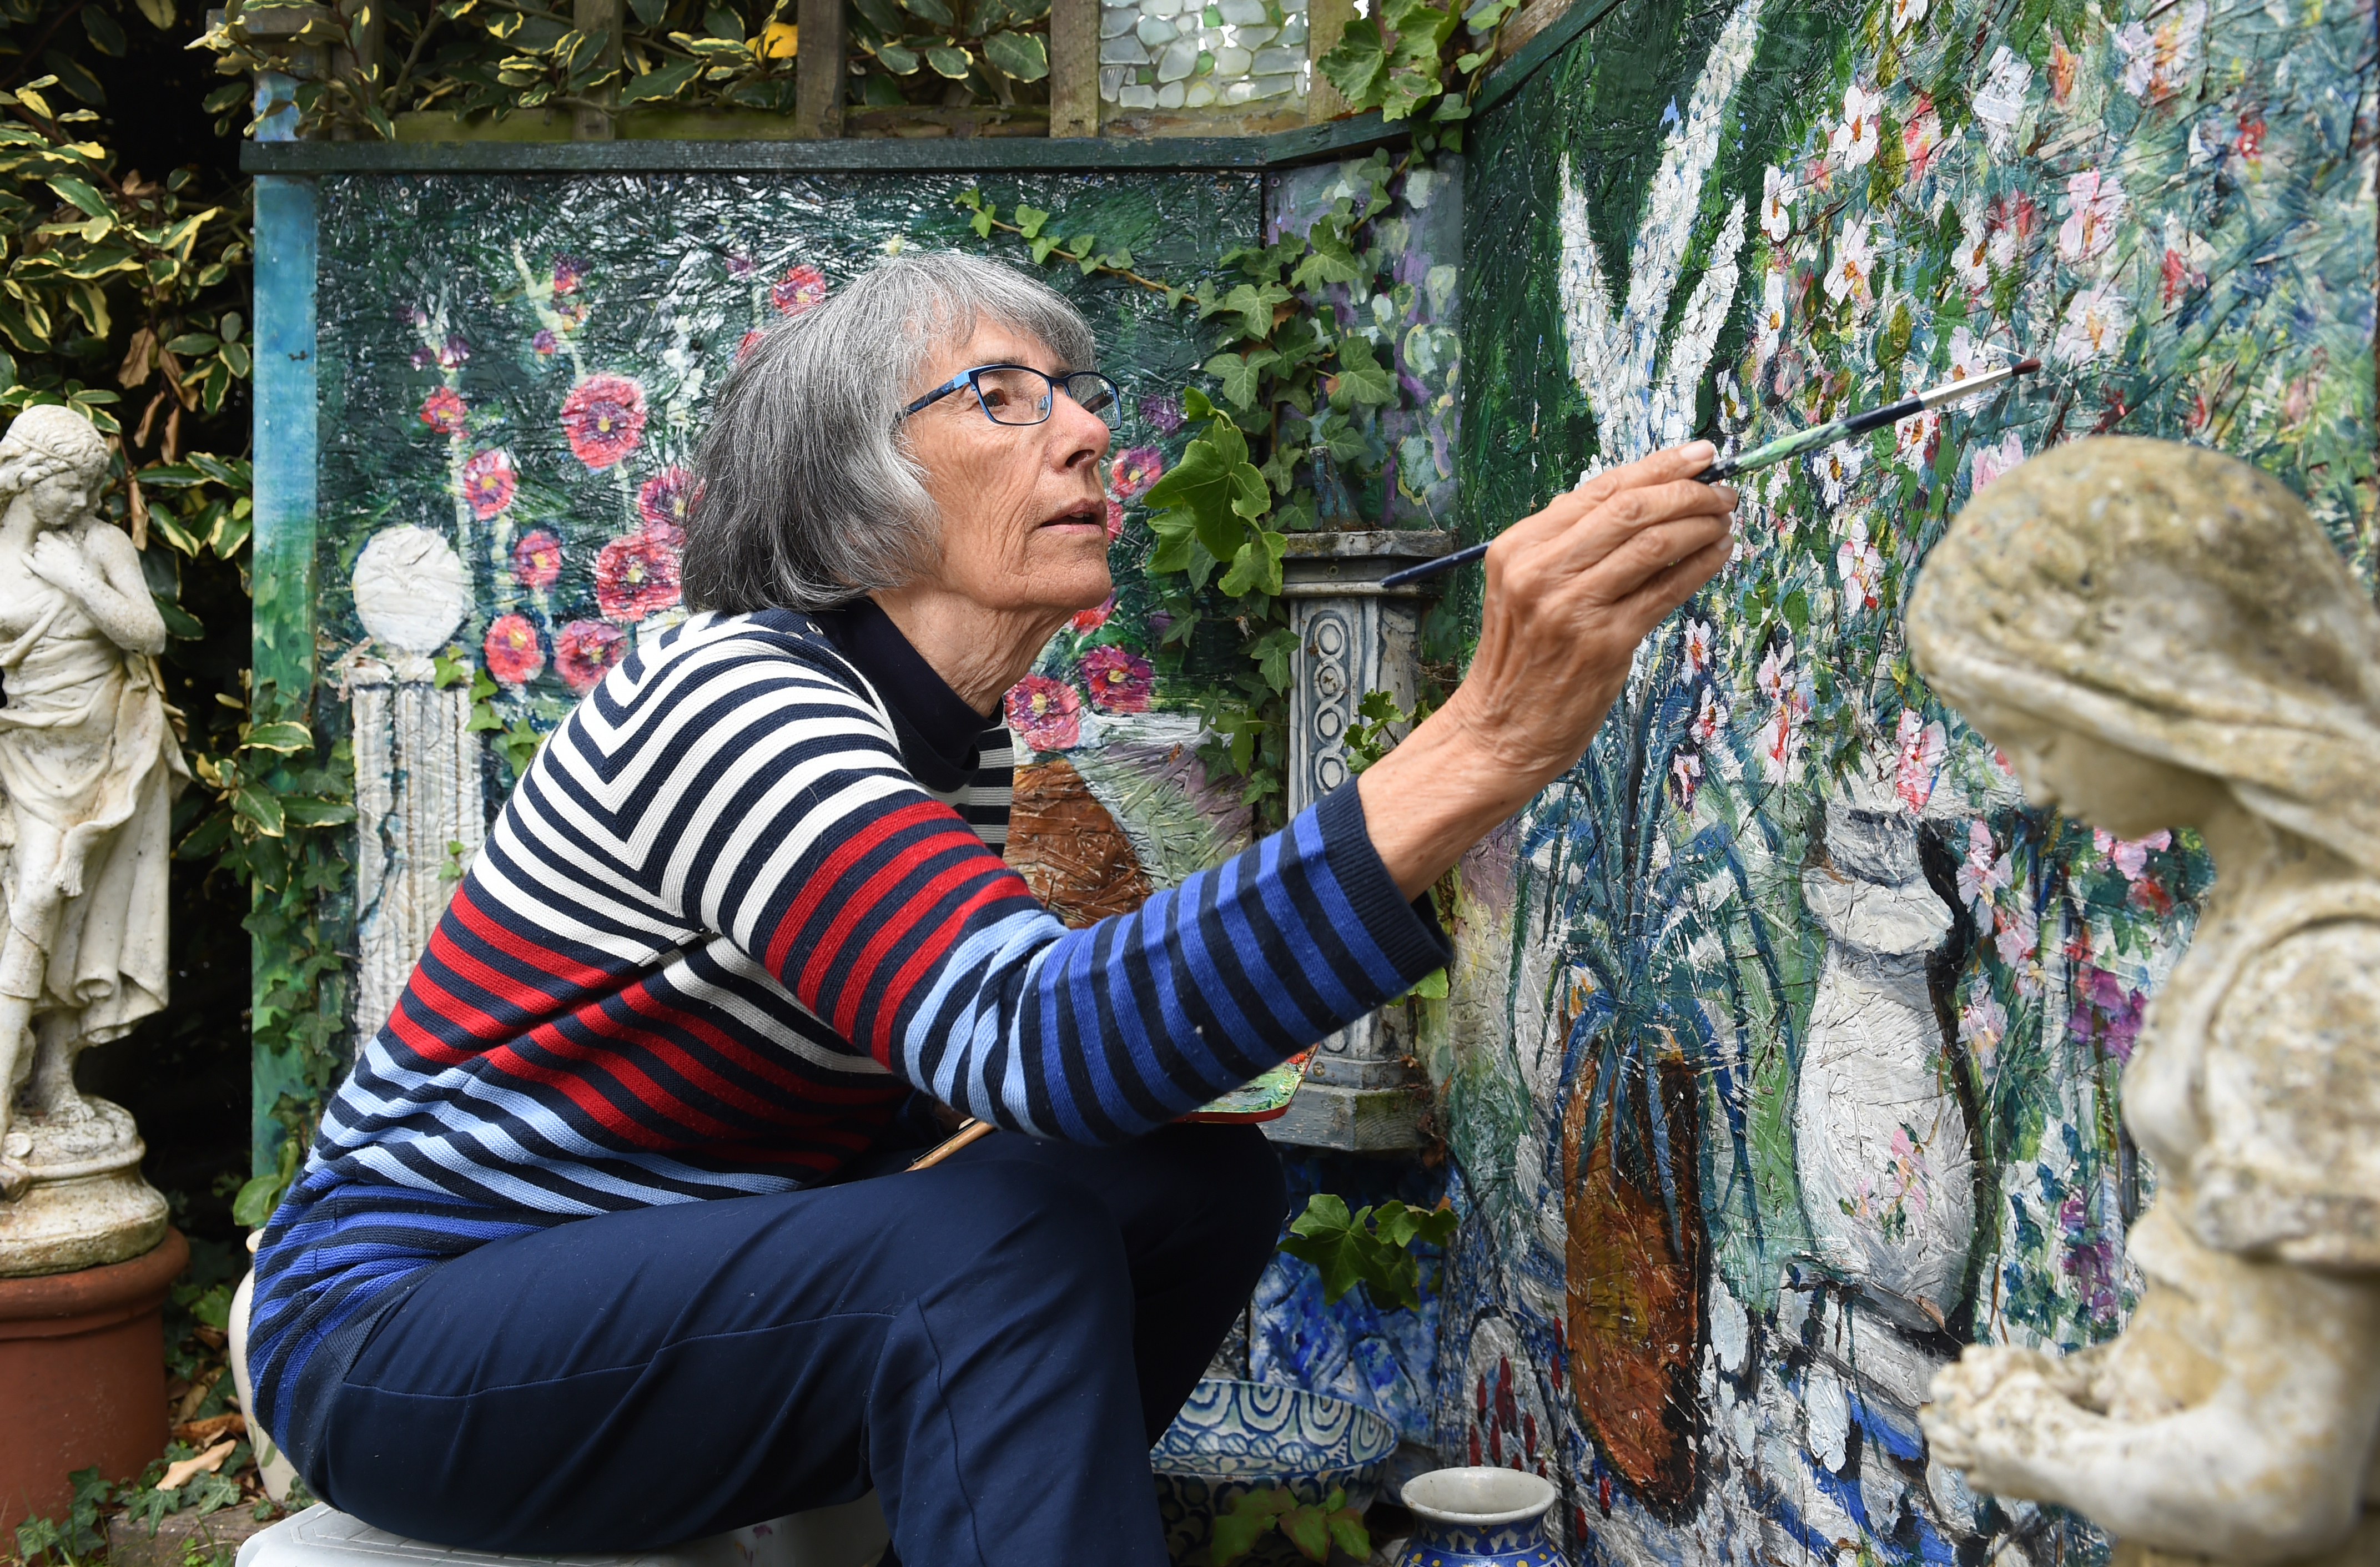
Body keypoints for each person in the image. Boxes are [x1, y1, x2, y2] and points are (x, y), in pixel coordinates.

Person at [246, 252, 1737, 1564]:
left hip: (629, 1318)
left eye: (1074, 392)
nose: (1091, 429)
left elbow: (1021, 1063)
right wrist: (1482, 742)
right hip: (396, 1340)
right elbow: (1037, 1039)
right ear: (853, 491)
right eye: (1001, 396)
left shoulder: (952, 754)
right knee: (992, 1244)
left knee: (1183, 1191)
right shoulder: (729, 696)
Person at [1913, 437, 2380, 1561]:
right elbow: (2236, 1329)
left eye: (2035, 727)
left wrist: (2037, 1448)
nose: (2026, 776)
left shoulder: (2317, 981)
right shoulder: (2264, 924)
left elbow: (2283, 1481)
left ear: (2150, 684)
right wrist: (2084, 1388)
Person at [0, 405, 185, 1199]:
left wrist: (77, 580)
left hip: (108, 762)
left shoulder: (101, 545)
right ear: (25, 479)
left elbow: (147, 635)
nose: (83, 501)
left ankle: (51, 1080)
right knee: (37, 899)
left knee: (85, 921)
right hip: (28, 758)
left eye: (89, 488)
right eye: (70, 487)